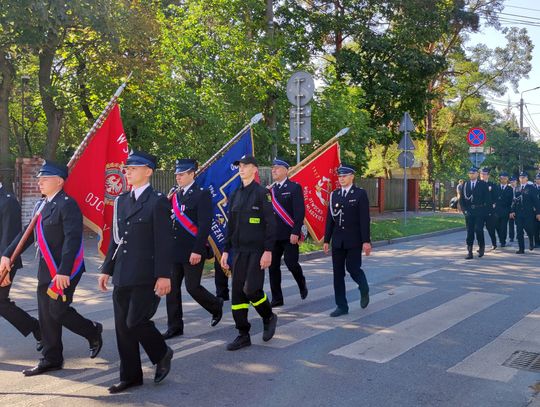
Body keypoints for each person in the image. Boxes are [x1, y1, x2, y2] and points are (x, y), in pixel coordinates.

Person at [1, 161, 102, 376]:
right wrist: (7, 255)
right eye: (38, 178)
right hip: (46, 269)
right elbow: (25, 236)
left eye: (44, 179)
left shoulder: (68, 205)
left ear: (59, 181)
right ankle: (51, 358)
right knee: (46, 314)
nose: (39, 182)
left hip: (65, 269)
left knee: (57, 311)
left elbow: (72, 241)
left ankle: (92, 330)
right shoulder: (41, 205)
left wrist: (64, 271)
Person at [99, 150, 173, 393]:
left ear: (148, 171)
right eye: (127, 169)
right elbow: (116, 238)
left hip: (145, 273)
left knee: (136, 321)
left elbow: (164, 241)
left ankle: (161, 353)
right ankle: (131, 376)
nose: (127, 172)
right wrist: (106, 268)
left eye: (133, 168)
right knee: (122, 327)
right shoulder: (122, 200)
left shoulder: (158, 201)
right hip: (122, 272)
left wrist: (164, 275)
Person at [220, 155, 277, 351]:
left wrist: (268, 251)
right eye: (239, 165)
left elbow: (271, 224)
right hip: (239, 251)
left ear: (255, 169)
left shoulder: (262, 194)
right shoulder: (235, 194)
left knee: (251, 289)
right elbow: (231, 225)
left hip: (257, 250)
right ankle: (243, 334)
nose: (241, 169)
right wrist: (226, 251)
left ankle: (268, 316)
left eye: (245, 166)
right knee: (237, 295)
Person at [162, 158, 223, 340]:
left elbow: (204, 225)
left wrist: (197, 250)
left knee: (192, 287)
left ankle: (215, 305)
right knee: (171, 289)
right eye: (177, 174)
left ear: (192, 174)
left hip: (192, 250)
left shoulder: (202, 194)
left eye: (182, 174)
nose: (178, 177)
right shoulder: (175, 194)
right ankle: (175, 326)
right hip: (174, 250)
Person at [323, 163, 372, 318]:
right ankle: (341, 306)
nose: (341, 179)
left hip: (354, 240)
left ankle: (364, 288)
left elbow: (365, 219)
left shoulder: (360, 194)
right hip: (337, 241)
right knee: (338, 274)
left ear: (352, 176)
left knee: (353, 269)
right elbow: (330, 219)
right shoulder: (334, 195)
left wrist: (366, 241)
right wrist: (326, 239)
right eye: (340, 176)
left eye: (344, 176)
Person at [0, 180, 42, 351]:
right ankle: (37, 328)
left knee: (1, 303)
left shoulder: (8, 201)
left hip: (4, 262)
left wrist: (4, 266)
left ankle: (36, 327)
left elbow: (9, 238)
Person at [268, 158, 307, 307]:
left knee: (291, 264)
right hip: (273, 236)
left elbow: (299, 212)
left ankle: (301, 282)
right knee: (273, 267)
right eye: (273, 168)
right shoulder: (270, 190)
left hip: (289, 234)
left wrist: (296, 231)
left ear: (286, 170)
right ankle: (277, 298)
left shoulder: (294, 188)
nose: (274, 170)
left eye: (277, 168)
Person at [459, 167, 489, 259]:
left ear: (477, 174)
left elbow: (487, 199)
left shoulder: (483, 184)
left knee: (479, 230)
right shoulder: (465, 184)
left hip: (479, 211)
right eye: (470, 173)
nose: (471, 175)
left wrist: (486, 211)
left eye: (473, 173)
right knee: (470, 231)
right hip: (469, 211)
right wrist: (464, 210)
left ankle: (481, 247)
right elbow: (462, 199)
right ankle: (469, 251)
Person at [510, 172, 540, 254]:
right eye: (520, 177)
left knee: (529, 229)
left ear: (527, 178)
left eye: (523, 177)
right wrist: (512, 211)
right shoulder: (517, 188)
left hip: (529, 213)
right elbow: (514, 201)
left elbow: (536, 201)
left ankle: (531, 240)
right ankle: (521, 249)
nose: (521, 179)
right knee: (519, 231)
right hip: (519, 213)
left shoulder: (531, 188)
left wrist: (538, 213)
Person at [480, 168, 498, 249]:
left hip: (489, 210)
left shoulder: (492, 185)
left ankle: (494, 243)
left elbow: (496, 196)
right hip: (479, 210)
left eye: (484, 174)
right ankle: (481, 246)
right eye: (482, 174)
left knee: (490, 228)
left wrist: (494, 204)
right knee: (479, 229)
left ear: (488, 175)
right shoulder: (477, 184)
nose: (483, 175)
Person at [494, 172, 513, 247]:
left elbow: (511, 200)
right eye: (502, 178)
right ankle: (501, 237)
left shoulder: (510, 189)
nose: (503, 180)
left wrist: (511, 211)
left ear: (507, 179)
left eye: (505, 178)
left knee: (503, 226)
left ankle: (503, 241)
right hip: (496, 210)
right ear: (499, 179)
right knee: (497, 226)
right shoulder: (496, 187)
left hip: (505, 210)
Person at [508, 176, 518, 242]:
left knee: (518, 223)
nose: (512, 183)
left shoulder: (519, 188)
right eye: (511, 182)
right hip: (510, 209)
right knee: (511, 224)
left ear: (516, 181)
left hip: (518, 209)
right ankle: (511, 237)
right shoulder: (508, 189)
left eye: (513, 182)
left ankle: (519, 235)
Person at [534, 173, 540, 248]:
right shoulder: (532, 188)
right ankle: (536, 242)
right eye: (537, 179)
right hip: (535, 210)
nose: (538, 180)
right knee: (535, 228)